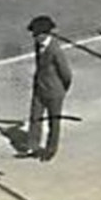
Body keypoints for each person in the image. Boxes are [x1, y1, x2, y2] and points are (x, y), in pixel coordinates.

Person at [22, 15, 72, 161]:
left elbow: (66, 73)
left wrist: (62, 89)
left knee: (53, 122)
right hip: (39, 88)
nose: (34, 37)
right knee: (35, 117)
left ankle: (51, 149)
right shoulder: (39, 45)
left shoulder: (55, 50)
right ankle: (33, 146)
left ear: (45, 34)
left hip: (54, 92)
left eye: (36, 35)